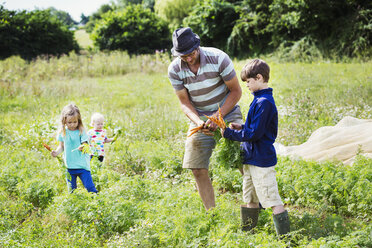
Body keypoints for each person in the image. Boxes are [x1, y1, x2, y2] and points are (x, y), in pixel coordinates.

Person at [168, 27, 243, 211]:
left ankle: (258, 204)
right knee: (197, 168)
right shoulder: (175, 69)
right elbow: (184, 103)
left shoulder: (218, 58)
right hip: (200, 117)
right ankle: (212, 214)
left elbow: (236, 91)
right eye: (182, 56)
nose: (188, 58)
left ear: (197, 46)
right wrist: (198, 122)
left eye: (190, 53)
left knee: (243, 159)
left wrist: (218, 116)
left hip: (227, 111)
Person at [220, 59, 290, 237]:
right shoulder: (258, 100)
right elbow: (254, 128)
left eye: (248, 82)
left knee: (272, 199)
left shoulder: (264, 102)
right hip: (251, 158)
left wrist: (229, 134)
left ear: (259, 78)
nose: (247, 86)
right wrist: (241, 126)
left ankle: (285, 239)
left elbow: (255, 134)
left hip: (261, 160)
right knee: (250, 197)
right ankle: (248, 235)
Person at [51, 104, 98, 193]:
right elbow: (61, 146)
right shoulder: (63, 132)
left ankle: (98, 202)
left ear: (78, 120)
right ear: (64, 121)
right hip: (69, 166)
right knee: (72, 191)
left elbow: (86, 145)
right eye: (69, 122)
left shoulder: (81, 131)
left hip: (82, 166)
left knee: (90, 188)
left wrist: (83, 147)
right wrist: (56, 152)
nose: (72, 125)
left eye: (75, 122)